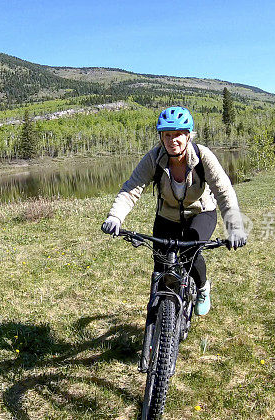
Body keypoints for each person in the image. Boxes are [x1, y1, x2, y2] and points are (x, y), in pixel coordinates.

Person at [101, 106, 247, 315]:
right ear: (161, 137)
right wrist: (115, 216)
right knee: (160, 267)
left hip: (200, 212)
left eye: (178, 134)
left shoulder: (202, 156)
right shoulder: (154, 158)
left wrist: (235, 228)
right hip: (166, 216)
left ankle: (203, 287)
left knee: (190, 253)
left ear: (188, 135)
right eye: (167, 135)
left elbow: (224, 192)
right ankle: (161, 317)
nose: (173, 140)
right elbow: (131, 189)